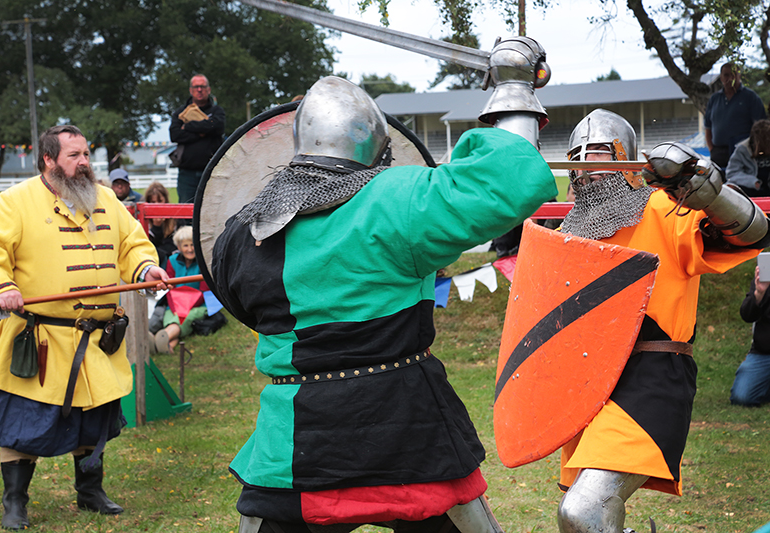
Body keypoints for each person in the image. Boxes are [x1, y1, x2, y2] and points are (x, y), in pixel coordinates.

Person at [209, 37, 557, 533]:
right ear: (377, 146)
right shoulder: (394, 199)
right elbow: (507, 179)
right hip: (408, 429)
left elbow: (240, 302)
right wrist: (514, 83)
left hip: (297, 441)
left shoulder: (244, 229)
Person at [555, 109, 769, 533]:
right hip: (588, 382)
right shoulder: (569, 230)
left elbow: (753, 233)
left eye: (600, 155)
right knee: (588, 517)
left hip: (650, 378)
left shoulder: (665, 209)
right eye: (578, 158)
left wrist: (705, 190)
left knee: (583, 512)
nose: (589, 168)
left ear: (627, 159)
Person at [0, 125, 170, 530]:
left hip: (95, 339)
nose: (84, 163)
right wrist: (3, 286)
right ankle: (15, 502)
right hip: (40, 339)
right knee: (20, 423)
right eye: (74, 156)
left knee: (91, 418)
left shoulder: (106, 201)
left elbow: (132, 242)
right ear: (48, 159)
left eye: (86, 155)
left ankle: (90, 492)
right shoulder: (16, 202)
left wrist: (147, 267)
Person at [169, 74, 226, 204]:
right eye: (196, 87)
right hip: (187, 174)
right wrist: (203, 132)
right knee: (186, 211)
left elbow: (218, 127)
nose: (199, 90)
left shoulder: (217, 111)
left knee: (213, 209)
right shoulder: (180, 112)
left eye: (202, 86)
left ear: (208, 89)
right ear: (191, 90)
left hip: (212, 173)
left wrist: (188, 126)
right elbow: (175, 135)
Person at [154, 225, 209, 353]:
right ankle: (168, 346)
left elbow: (204, 291)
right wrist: (175, 307)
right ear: (179, 247)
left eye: (192, 245)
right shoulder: (172, 260)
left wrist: (185, 307)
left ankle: (161, 339)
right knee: (172, 318)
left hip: (198, 305)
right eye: (185, 246)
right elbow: (169, 288)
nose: (190, 249)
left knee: (185, 318)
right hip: (175, 304)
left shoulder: (203, 262)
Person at [704, 62, 767, 169]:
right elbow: (708, 128)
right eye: (726, 75)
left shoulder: (750, 97)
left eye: (733, 75)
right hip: (719, 153)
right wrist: (712, 149)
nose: (730, 78)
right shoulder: (714, 99)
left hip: (744, 152)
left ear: (739, 76)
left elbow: (761, 127)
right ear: (721, 78)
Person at [729, 262, 770, 406]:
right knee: (742, 397)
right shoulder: (766, 275)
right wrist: (759, 294)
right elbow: (747, 315)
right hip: (764, 353)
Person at [725, 119, 770, 197]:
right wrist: (753, 182)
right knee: (730, 188)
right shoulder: (742, 149)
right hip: (749, 190)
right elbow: (731, 174)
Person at [144, 181, 177, 266]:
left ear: (166, 200)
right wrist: (156, 227)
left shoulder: (175, 219)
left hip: (172, 259)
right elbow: (149, 246)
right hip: (154, 260)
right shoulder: (144, 221)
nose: (157, 205)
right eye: (153, 202)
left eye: (160, 201)